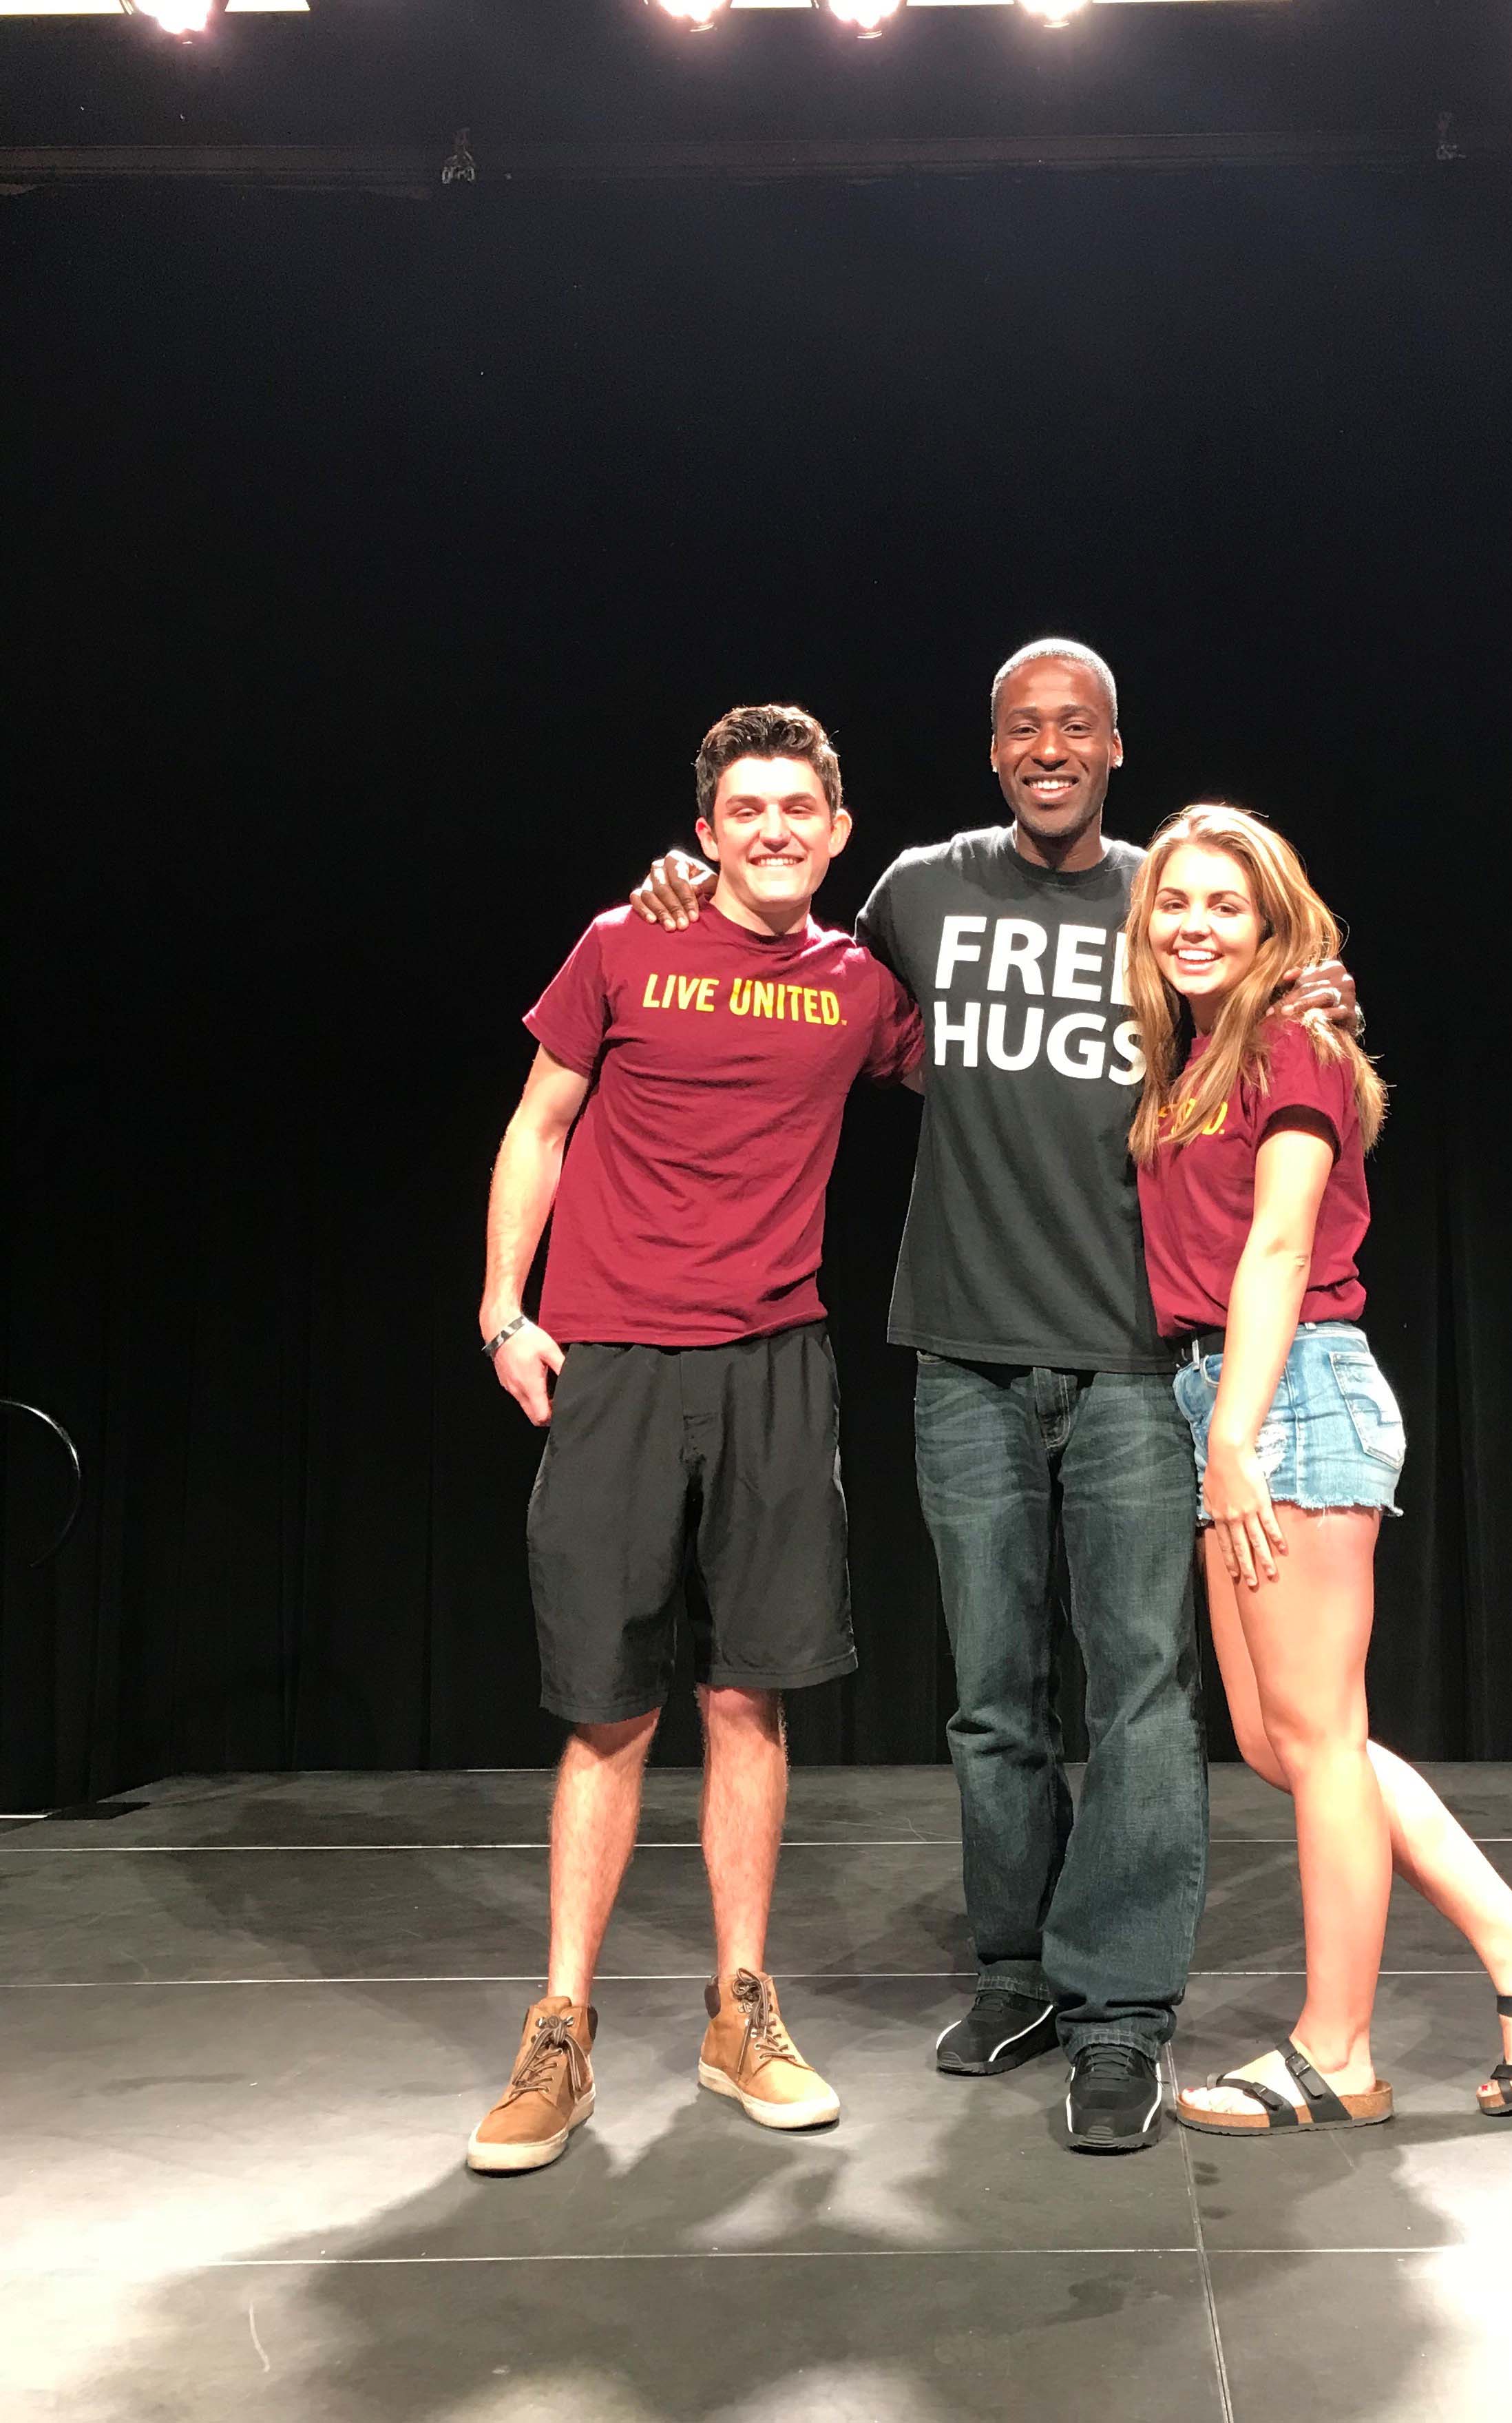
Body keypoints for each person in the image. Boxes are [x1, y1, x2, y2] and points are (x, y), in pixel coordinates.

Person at [630, 641, 1356, 2154]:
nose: (1048, 748)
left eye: (1073, 726)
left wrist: (1320, 984)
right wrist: (675, 892)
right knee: (990, 1696)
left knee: (1144, 1693)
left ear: (1113, 744)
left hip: (1134, 1359)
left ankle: (1122, 2013)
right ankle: (1017, 1967)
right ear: (991, 749)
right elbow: (793, 955)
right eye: (1022, 727)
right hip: (961, 1353)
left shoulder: (1172, 903)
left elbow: (1291, 1002)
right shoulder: (917, 892)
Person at [466, 704, 921, 2175]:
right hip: (617, 1362)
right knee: (609, 1706)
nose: (777, 829)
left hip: (779, 1366)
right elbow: (539, 1124)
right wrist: (500, 1310)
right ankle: (562, 2028)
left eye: (802, 808)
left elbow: (1012, 1069)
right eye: (749, 809)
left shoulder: (860, 986)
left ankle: (741, 2012)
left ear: (837, 830)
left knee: (751, 1697)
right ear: (709, 830)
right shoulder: (625, 944)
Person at [1124, 802, 1512, 2134]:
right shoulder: (1200, 1057)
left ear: (1276, 925)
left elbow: (1279, 1248)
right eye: (1175, 902)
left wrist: (1233, 1434)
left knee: (1320, 1737)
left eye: (1227, 904)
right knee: (1289, 1742)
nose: (1195, 925)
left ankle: (1335, 2052)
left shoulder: (1291, 1041)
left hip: (1285, 1394)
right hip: (1230, 1389)